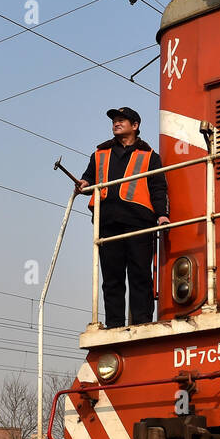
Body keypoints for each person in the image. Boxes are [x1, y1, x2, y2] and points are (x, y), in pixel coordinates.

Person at [76, 107, 170, 327]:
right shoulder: (99, 154)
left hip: (139, 223)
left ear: (135, 126)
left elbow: (158, 188)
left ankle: (142, 323)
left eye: (121, 120)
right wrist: (84, 184)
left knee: (140, 275)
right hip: (107, 222)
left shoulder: (149, 156)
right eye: (114, 121)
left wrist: (162, 215)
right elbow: (89, 178)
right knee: (112, 279)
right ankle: (115, 325)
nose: (116, 123)